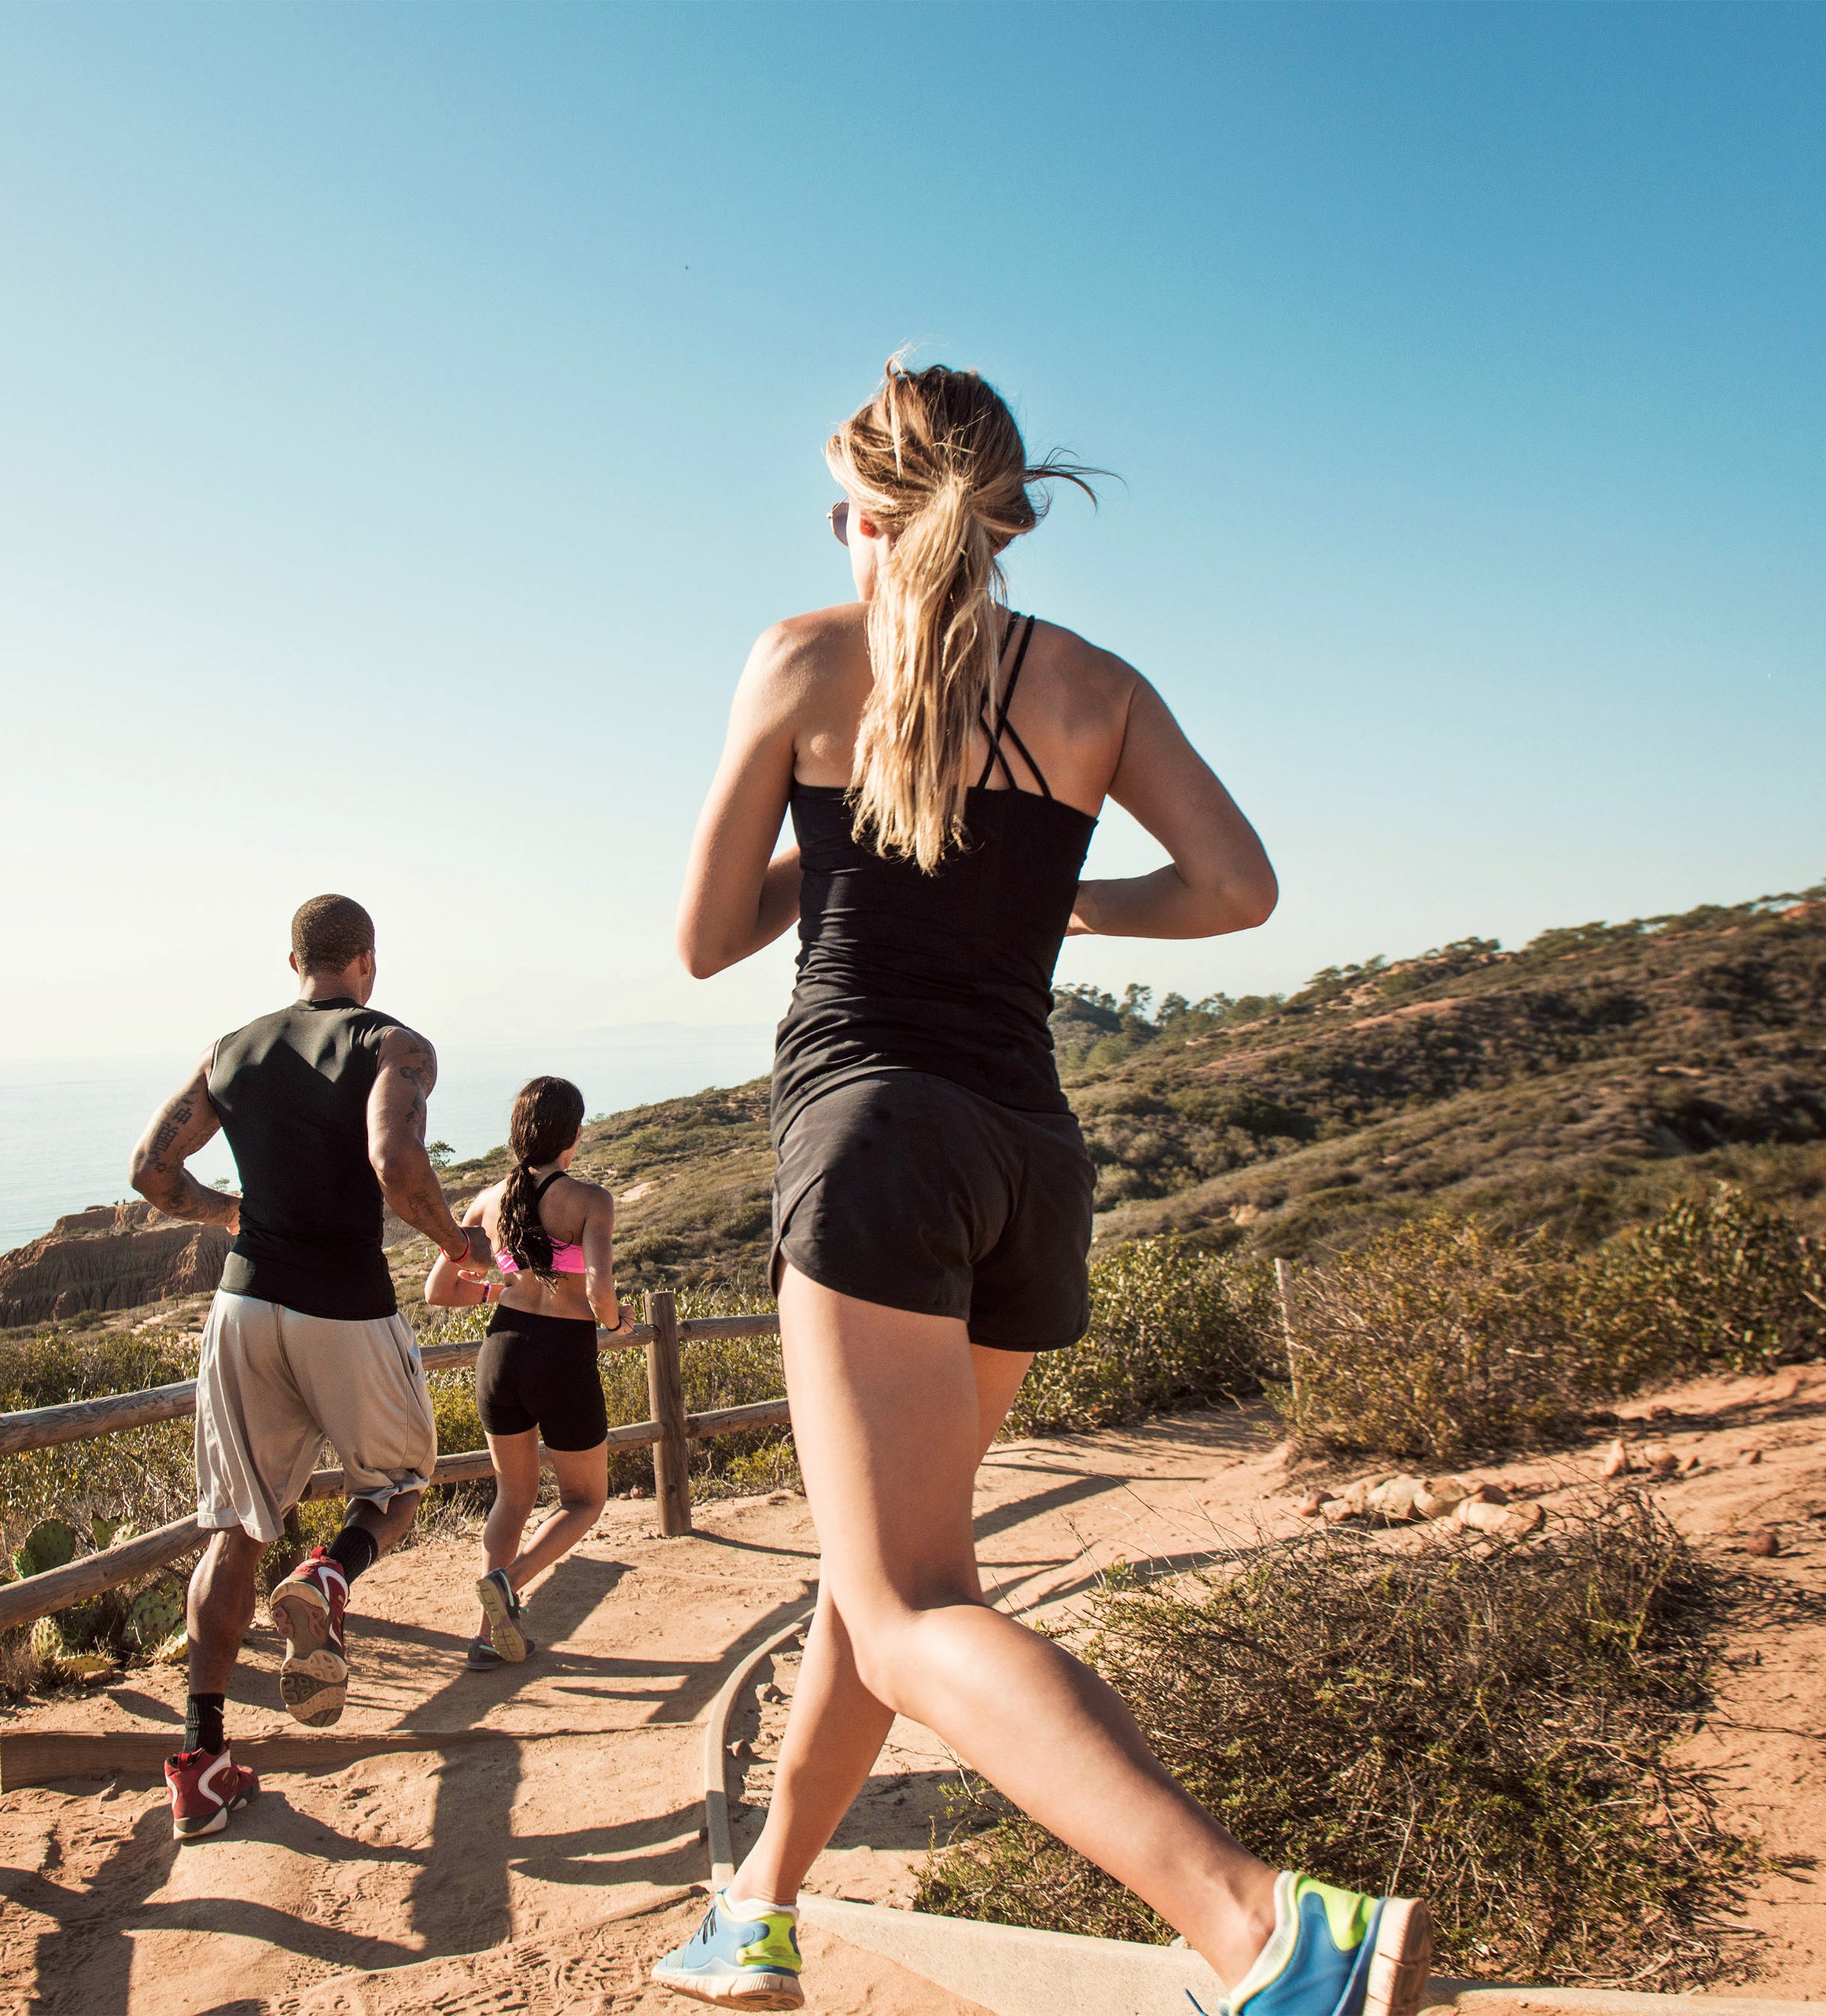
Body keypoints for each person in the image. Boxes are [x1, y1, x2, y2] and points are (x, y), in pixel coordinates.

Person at [650, 363, 1431, 2016]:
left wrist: (855, 819)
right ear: (998, 514)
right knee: (889, 1578)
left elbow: (712, 935)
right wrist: (1053, 896)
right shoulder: (1095, 688)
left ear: (869, 514)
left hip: (873, 1140)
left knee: (912, 1597)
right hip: (1029, 1159)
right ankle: (762, 1905)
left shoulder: (804, 659)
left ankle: (1267, 1931)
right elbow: (1237, 890)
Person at [127, 893, 493, 1844]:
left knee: (237, 1530)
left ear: (293, 960)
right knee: (402, 1480)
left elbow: (151, 1172)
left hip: (243, 1307)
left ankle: (201, 1765)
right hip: (342, 1300)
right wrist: (458, 1243)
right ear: (367, 959)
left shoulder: (231, 1049)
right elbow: (395, 1158)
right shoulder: (392, 1044)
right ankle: (330, 1578)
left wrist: (227, 1214)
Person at [422, 1076, 624, 1668]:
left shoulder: (489, 1202)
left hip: (501, 1353)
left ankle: (489, 1634)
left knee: (512, 1496)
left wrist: (493, 1293)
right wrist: (615, 1323)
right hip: (561, 1355)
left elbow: (439, 1290)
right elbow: (600, 1291)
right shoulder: (590, 1201)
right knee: (584, 1499)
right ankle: (511, 1583)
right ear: (573, 1134)